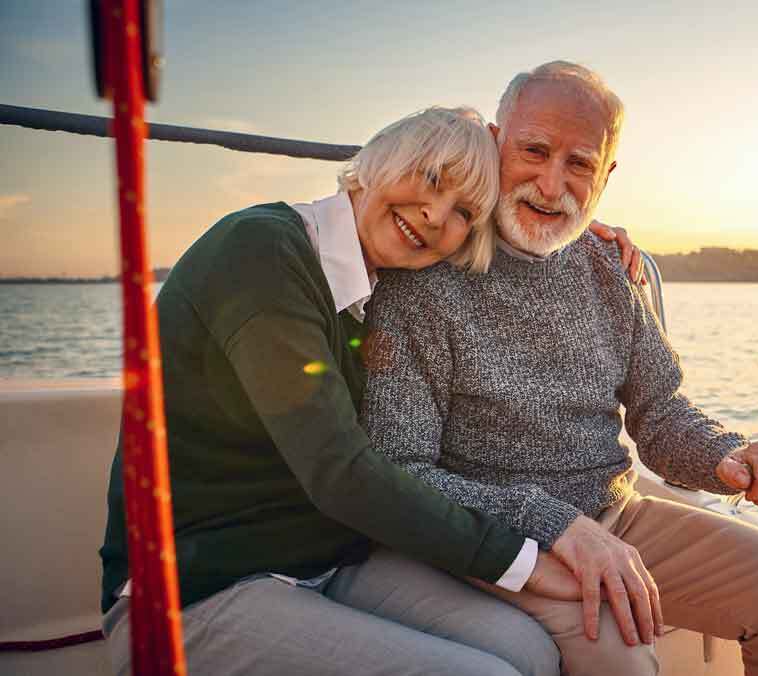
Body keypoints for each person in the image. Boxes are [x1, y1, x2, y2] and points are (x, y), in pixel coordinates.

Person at [98, 106, 647, 676]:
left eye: (463, 212)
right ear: (377, 160)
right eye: (431, 177)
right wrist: (523, 561)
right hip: (193, 586)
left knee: (532, 653)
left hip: (324, 559)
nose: (436, 214)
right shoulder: (262, 253)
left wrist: (583, 237)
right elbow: (341, 471)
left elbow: (522, 212)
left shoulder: (384, 285)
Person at [362, 62, 758, 676]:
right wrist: (551, 524)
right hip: (489, 540)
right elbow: (401, 470)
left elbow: (659, 412)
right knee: (622, 659)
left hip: (615, 519)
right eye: (534, 150)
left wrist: (729, 458)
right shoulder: (425, 275)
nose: (551, 183)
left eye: (579, 163)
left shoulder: (607, 269)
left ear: (605, 176)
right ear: (496, 141)